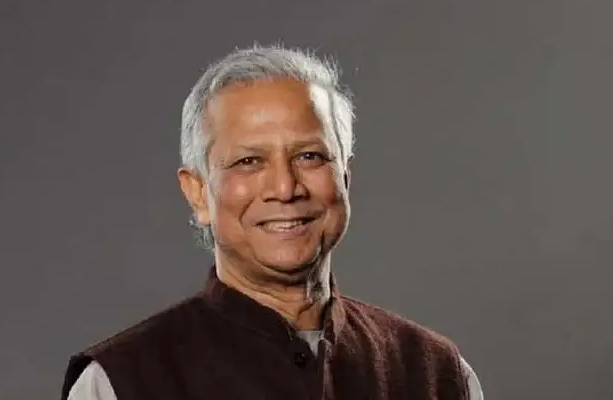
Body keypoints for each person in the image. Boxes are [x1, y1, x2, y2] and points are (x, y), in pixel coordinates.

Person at [61, 44, 484, 400]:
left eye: (310, 156)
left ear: (345, 178)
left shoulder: (438, 375)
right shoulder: (117, 384)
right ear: (197, 193)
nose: (285, 187)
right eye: (249, 161)